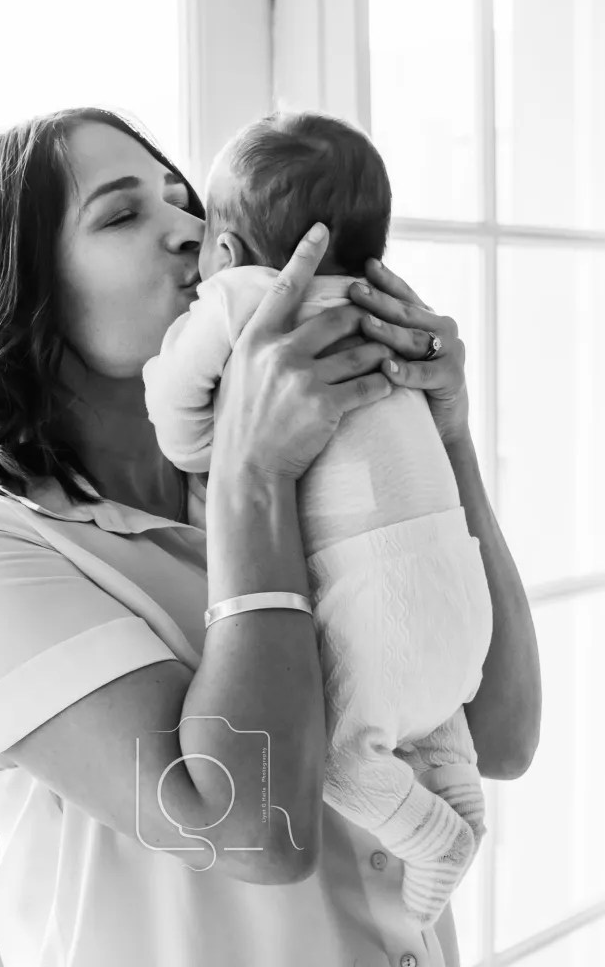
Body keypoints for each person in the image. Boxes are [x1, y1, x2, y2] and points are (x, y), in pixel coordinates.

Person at [0, 107, 541, 967]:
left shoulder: (305, 466)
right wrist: (251, 476)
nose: (192, 231)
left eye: (185, 200)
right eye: (122, 215)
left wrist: (443, 433)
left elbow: (503, 736)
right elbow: (253, 829)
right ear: (24, 294)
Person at [142, 111, 493, 927]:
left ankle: (439, 839)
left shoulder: (239, 299)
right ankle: (458, 792)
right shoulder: (389, 314)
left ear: (226, 252)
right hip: (447, 572)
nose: (184, 239)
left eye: (193, 215)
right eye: (125, 214)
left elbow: (176, 414)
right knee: (436, 718)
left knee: (343, 756)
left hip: (369, 589)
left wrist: (211, 443)